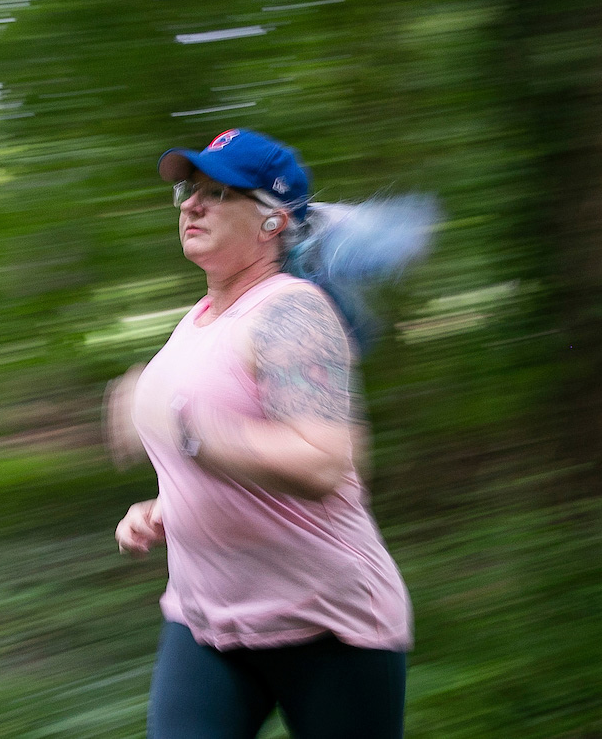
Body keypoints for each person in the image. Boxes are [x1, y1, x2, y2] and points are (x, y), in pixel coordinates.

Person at [108, 129, 412, 739]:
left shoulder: (293, 312)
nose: (191, 203)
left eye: (217, 193)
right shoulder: (196, 322)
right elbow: (228, 449)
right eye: (189, 191)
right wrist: (170, 505)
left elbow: (322, 462)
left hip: (328, 628)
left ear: (273, 222)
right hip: (205, 625)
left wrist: (185, 432)